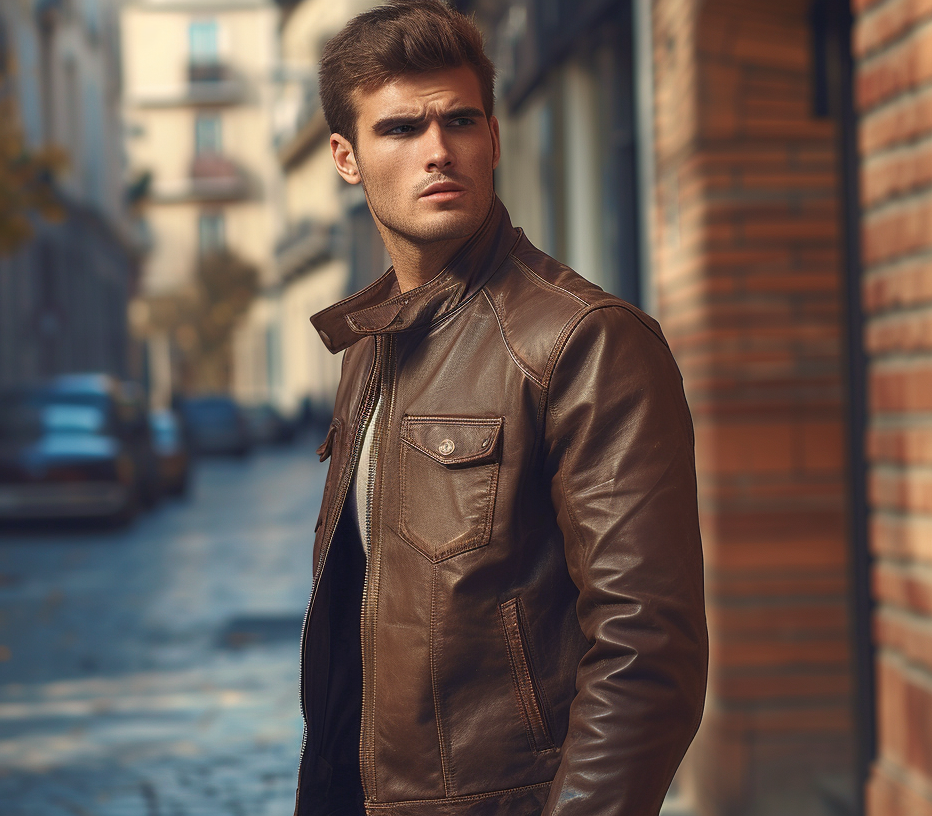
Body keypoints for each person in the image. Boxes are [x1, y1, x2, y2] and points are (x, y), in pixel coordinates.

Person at [297, 3, 707, 815]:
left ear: (494, 136)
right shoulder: (371, 345)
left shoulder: (583, 341)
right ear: (346, 157)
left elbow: (645, 653)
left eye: (459, 120)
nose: (438, 150)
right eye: (401, 129)